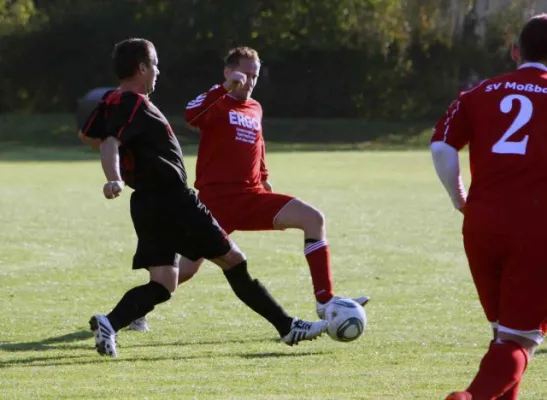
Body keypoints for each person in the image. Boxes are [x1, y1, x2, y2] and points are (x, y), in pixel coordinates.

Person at [79, 38, 328, 357]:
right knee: (234, 261)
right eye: (154, 64)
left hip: (146, 202)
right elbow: (110, 141)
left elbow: (90, 136)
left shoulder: (110, 100)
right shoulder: (133, 102)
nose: (157, 71)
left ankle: (109, 323)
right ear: (141, 68)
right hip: (173, 200)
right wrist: (114, 175)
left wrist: (129, 162)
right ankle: (288, 327)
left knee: (163, 285)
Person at [129, 46, 369, 331]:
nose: (251, 81)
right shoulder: (216, 101)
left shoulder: (255, 107)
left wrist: (264, 175)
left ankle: (326, 302)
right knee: (186, 270)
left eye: (255, 75)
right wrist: (224, 88)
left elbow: (258, 143)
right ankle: (137, 310)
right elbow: (190, 114)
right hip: (216, 202)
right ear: (229, 71)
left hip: (252, 196)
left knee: (313, 218)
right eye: (245, 74)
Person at [431, 15, 547, 400]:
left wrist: (458, 198)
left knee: (504, 336)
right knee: (521, 341)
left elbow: (442, 147)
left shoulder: (480, 92)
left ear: (516, 52)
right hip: (536, 228)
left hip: (481, 225)